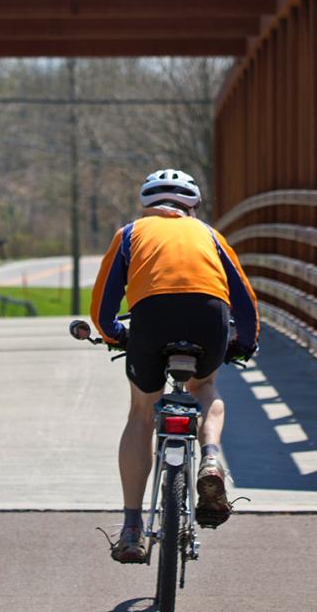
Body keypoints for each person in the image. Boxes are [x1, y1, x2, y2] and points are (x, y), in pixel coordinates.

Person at [89, 168, 260, 564]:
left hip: (152, 320)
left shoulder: (130, 234)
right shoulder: (211, 236)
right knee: (205, 388)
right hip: (208, 318)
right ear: (193, 208)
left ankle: (132, 528)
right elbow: (246, 300)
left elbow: (102, 307)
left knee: (141, 412)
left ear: (146, 207)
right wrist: (245, 343)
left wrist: (116, 334)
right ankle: (212, 458)